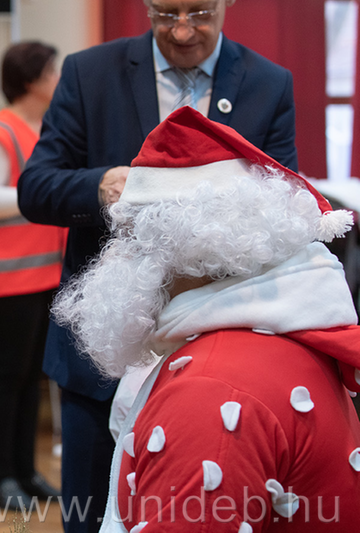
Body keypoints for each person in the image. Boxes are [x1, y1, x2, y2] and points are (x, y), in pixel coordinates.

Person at [17, 0, 297, 528]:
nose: (183, 31)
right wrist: (100, 185)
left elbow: (287, 204)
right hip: (105, 357)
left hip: (222, 353)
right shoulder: (89, 73)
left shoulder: (268, 83)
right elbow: (34, 188)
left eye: (200, 12)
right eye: (166, 14)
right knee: (87, 515)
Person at [54, 106, 360, 532]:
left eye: (131, 237)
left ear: (177, 246)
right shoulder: (286, 334)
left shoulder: (211, 391)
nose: (118, 254)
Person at [0, 41, 66, 509]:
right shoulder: (1, 132)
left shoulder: (43, 129)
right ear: (30, 79)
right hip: (7, 281)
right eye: (51, 71)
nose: (58, 79)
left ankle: (25, 473)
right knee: (7, 378)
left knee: (29, 380)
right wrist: (37, 196)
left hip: (42, 276)